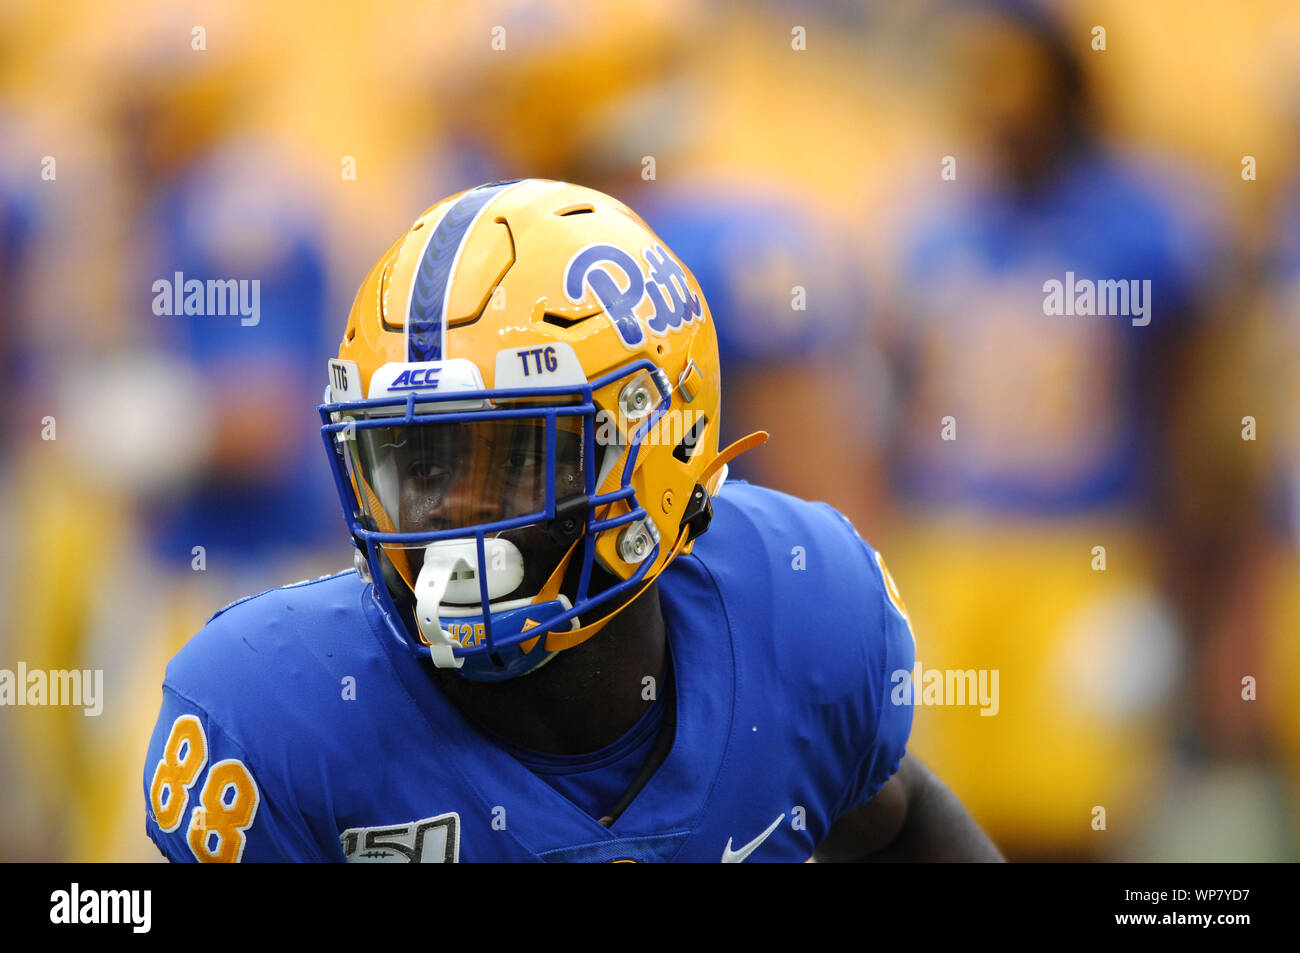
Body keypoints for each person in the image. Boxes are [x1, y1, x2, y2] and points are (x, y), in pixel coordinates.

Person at [143, 179, 1000, 862]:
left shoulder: (799, 616)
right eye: (416, 466)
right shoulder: (274, 717)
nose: (445, 522)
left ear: (651, 446)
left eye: (512, 462)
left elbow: (894, 821)